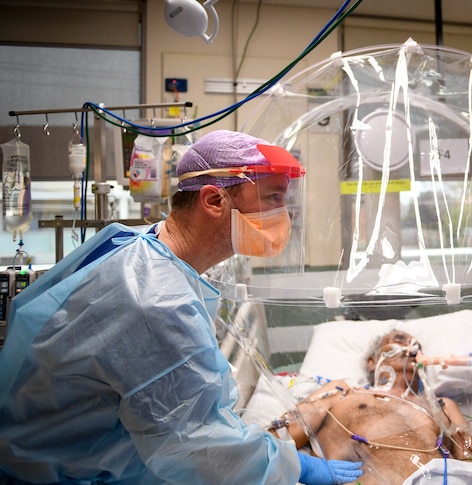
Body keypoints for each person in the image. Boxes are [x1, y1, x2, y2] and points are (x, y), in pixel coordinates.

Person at [0, 130, 363, 484]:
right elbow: (198, 445)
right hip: (63, 472)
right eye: (273, 198)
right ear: (214, 201)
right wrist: (291, 467)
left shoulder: (142, 247)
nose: (285, 215)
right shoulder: (155, 299)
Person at [271, 329, 472, 485]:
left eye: (416, 345)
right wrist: (305, 467)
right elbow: (274, 441)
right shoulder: (342, 392)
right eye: (399, 340)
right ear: (372, 360)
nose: (410, 347)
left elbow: (471, 464)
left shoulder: (440, 406)